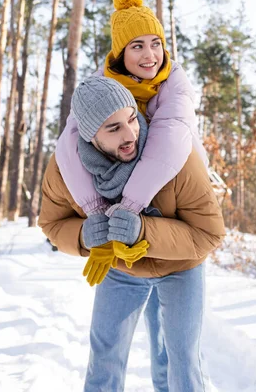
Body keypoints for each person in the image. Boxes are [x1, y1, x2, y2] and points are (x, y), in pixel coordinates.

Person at [39, 76, 225, 392]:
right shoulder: (66, 169)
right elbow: (52, 223)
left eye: (131, 120)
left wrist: (143, 230)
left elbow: (210, 233)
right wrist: (84, 235)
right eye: (113, 129)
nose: (130, 135)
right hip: (120, 268)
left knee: (181, 358)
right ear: (88, 136)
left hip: (181, 266)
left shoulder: (174, 155)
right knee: (105, 357)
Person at [55, 0, 209, 241]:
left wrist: (129, 206)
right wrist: (95, 209)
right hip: (120, 216)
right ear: (121, 53)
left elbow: (168, 140)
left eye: (156, 44)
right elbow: (70, 143)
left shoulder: (175, 84)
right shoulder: (97, 87)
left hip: (177, 193)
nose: (150, 55)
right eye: (138, 46)